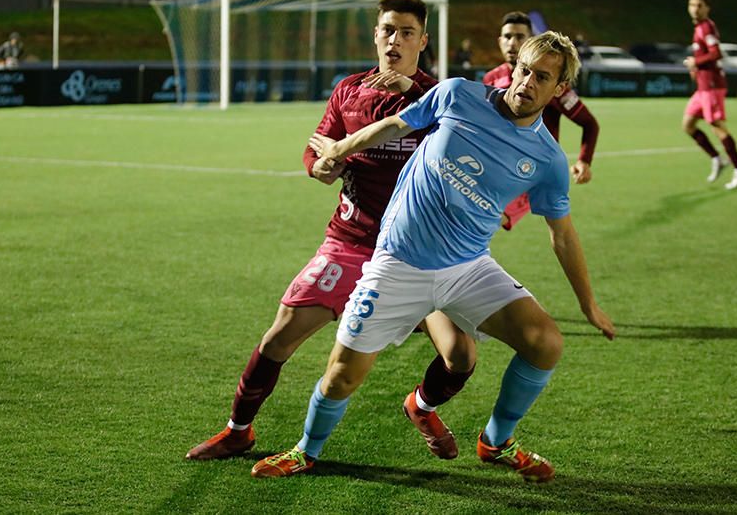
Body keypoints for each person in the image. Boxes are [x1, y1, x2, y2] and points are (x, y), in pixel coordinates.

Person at [252, 31, 616, 483]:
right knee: (343, 374)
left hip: (467, 268)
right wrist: (340, 148)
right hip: (397, 263)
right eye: (523, 69)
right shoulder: (458, 94)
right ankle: (306, 450)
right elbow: (395, 125)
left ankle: (497, 441)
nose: (526, 83)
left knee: (545, 343)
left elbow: (561, 235)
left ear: (559, 89)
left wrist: (588, 305)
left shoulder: (547, 160)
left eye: (542, 77)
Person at [185, 0, 476, 463]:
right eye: (387, 30)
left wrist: (411, 94)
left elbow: (465, 144)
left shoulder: (442, 97)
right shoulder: (349, 90)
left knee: (460, 354)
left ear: (423, 40)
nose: (394, 40)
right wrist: (320, 166)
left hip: (418, 253)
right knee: (280, 335)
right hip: (351, 242)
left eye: (406, 32)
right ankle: (238, 430)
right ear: (375, 35)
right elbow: (316, 146)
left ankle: (421, 406)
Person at [483, 12, 599, 230]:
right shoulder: (491, 79)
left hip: (529, 171)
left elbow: (590, 123)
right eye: (507, 37)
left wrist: (584, 160)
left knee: (482, 220)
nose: (513, 43)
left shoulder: (551, 88)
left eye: (520, 37)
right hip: (495, 167)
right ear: (500, 41)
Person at [681, 0, 737, 190]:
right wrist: (695, 68)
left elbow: (716, 53)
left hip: (712, 87)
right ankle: (717, 159)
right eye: (692, 5)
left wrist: (697, 62)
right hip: (702, 88)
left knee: (717, 127)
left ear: (707, 8)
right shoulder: (698, 28)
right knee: (688, 125)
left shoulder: (706, 27)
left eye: (699, 5)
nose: (695, 9)